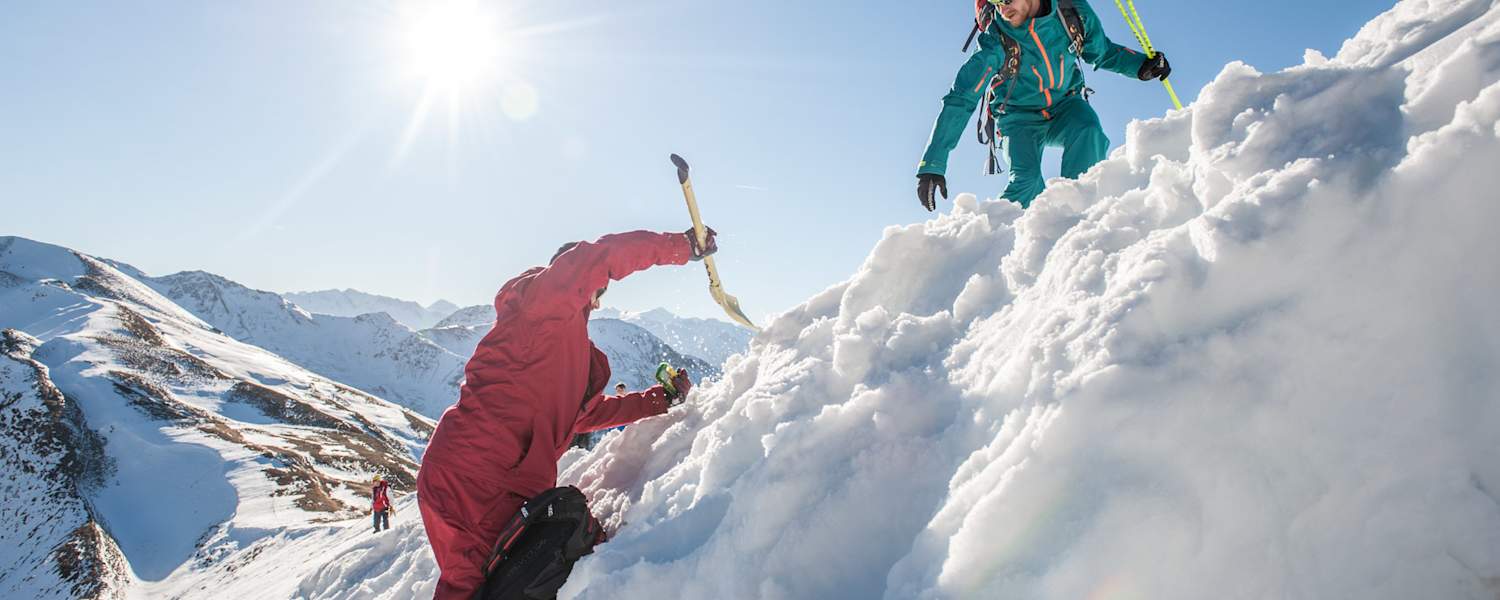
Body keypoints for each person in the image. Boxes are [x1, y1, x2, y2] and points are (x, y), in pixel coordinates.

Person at [417, 228, 714, 599]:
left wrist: (659, 400)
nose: (599, 301)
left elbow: (585, 414)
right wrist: (681, 247)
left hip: (484, 473)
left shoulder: (559, 344)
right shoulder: (540, 304)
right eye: (599, 289)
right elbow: (598, 257)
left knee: (486, 583)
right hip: (480, 478)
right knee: (491, 582)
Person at [915, 0, 1172, 211]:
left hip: (1065, 107)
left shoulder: (1071, 15)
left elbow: (1101, 51)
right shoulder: (996, 40)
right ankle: (1003, 244)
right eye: (994, 1)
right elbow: (962, 98)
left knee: (1088, 131)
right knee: (1026, 180)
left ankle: (1082, 212)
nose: (1002, 8)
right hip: (1017, 119)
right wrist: (933, 163)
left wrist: (1140, 66)